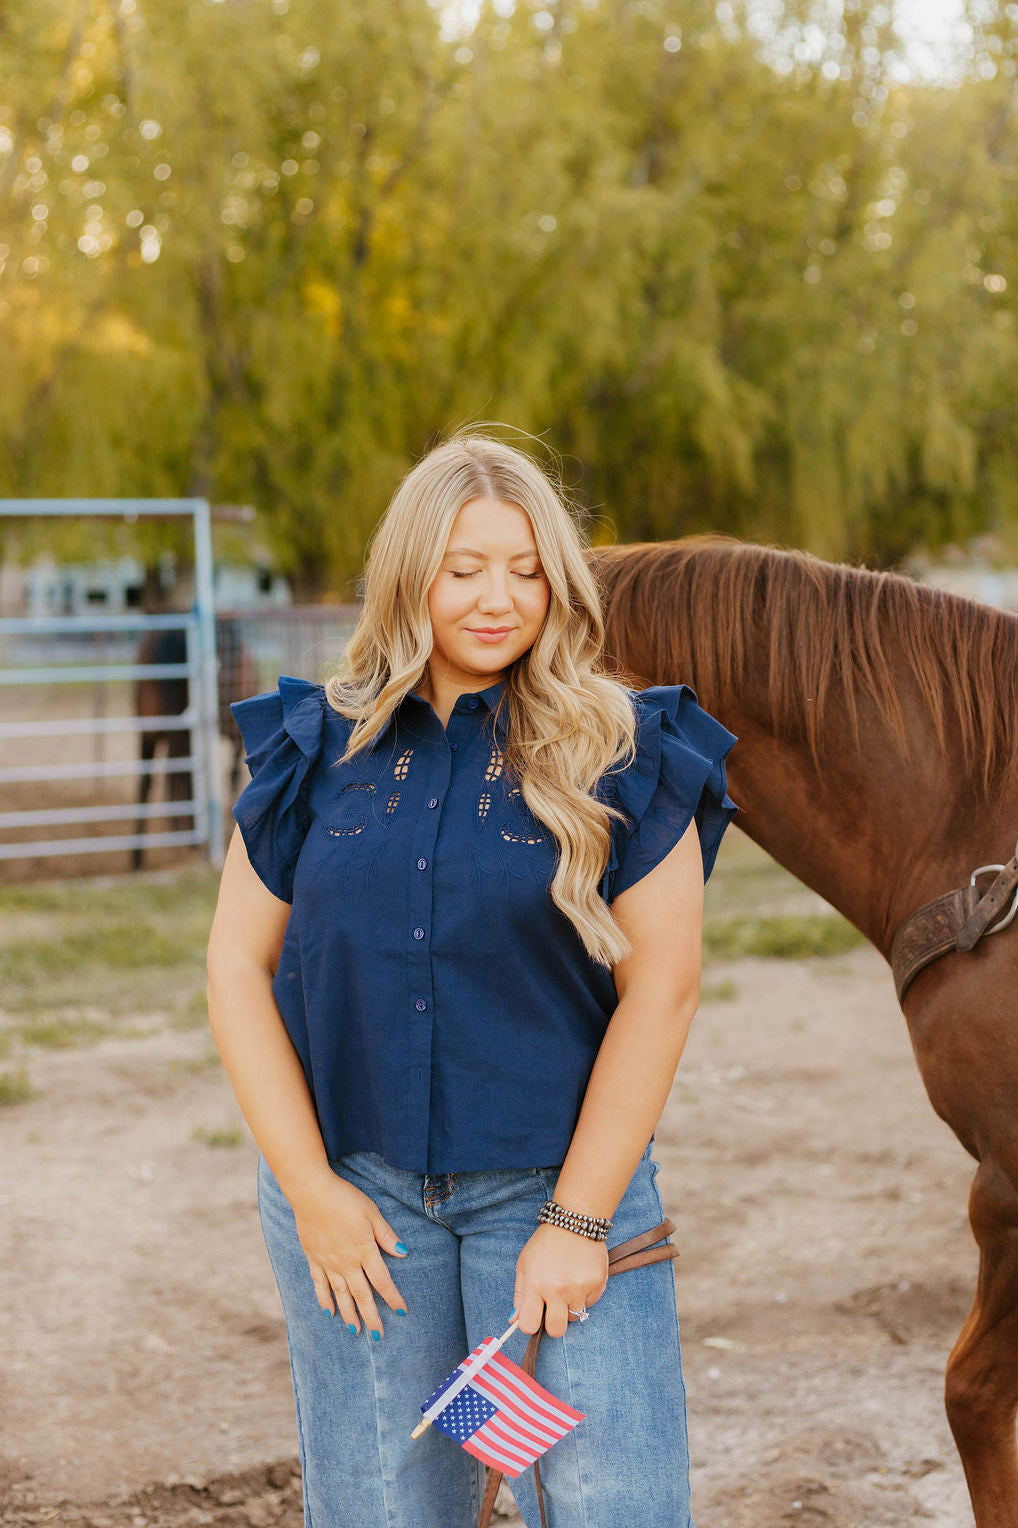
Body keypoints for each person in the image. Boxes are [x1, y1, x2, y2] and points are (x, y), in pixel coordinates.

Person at [206, 430, 736, 1528]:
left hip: (553, 1199)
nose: (499, 597)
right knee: (388, 1511)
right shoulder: (316, 747)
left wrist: (578, 1222)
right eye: (464, 568)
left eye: (526, 568)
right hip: (364, 1210)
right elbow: (235, 967)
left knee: (603, 1506)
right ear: (411, 574)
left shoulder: (625, 751)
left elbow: (664, 988)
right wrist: (312, 1192)